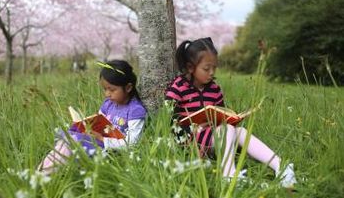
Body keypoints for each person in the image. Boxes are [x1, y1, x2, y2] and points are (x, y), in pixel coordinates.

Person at [165, 37, 297, 187]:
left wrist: (230, 118)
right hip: (189, 140)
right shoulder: (179, 87)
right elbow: (169, 118)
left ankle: (281, 166)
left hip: (215, 137)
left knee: (239, 131)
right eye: (206, 69)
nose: (211, 73)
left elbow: (221, 112)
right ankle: (228, 174)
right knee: (227, 129)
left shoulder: (214, 89)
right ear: (190, 67)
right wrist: (194, 126)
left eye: (214, 68)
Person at [38, 60, 147, 174]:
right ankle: (43, 170)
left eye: (112, 90)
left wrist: (101, 139)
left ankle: (46, 173)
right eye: (105, 89)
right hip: (99, 142)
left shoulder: (135, 110)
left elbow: (133, 143)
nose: (107, 94)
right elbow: (99, 121)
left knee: (74, 141)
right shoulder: (108, 104)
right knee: (68, 136)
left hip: (112, 151)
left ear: (128, 87)